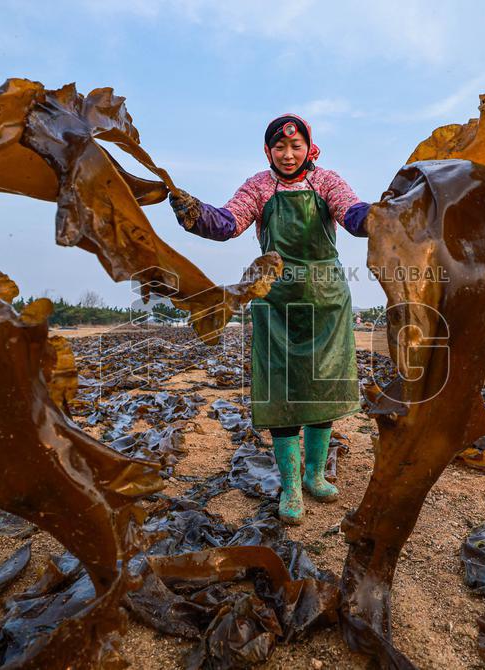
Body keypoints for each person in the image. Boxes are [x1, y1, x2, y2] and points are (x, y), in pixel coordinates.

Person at [169, 113, 371, 524]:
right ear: (268, 151)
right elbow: (226, 223)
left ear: (308, 147)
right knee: (280, 392)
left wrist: (379, 217)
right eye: (279, 147)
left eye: (295, 146)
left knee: (321, 389)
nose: (288, 153)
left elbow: (352, 214)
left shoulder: (326, 181)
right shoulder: (259, 186)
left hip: (327, 302)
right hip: (275, 301)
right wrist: (193, 212)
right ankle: (291, 486)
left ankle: (315, 474)